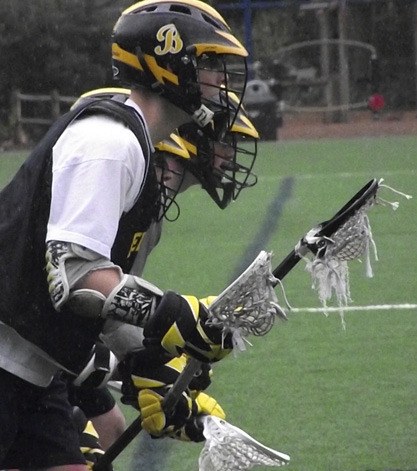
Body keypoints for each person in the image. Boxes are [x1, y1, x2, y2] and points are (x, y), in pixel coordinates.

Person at [0, 0, 249, 469]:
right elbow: (73, 275)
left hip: (33, 371)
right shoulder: (109, 143)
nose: (219, 80)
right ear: (169, 63)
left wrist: (149, 368)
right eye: (208, 63)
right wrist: (172, 313)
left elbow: (100, 301)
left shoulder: (132, 147)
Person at [65, 86, 259, 469]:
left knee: (109, 430)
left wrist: (152, 363)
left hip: (55, 350)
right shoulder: (99, 200)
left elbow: (107, 311)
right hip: (32, 354)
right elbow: (70, 289)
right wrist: (135, 362)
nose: (229, 154)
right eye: (222, 141)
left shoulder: (145, 215)